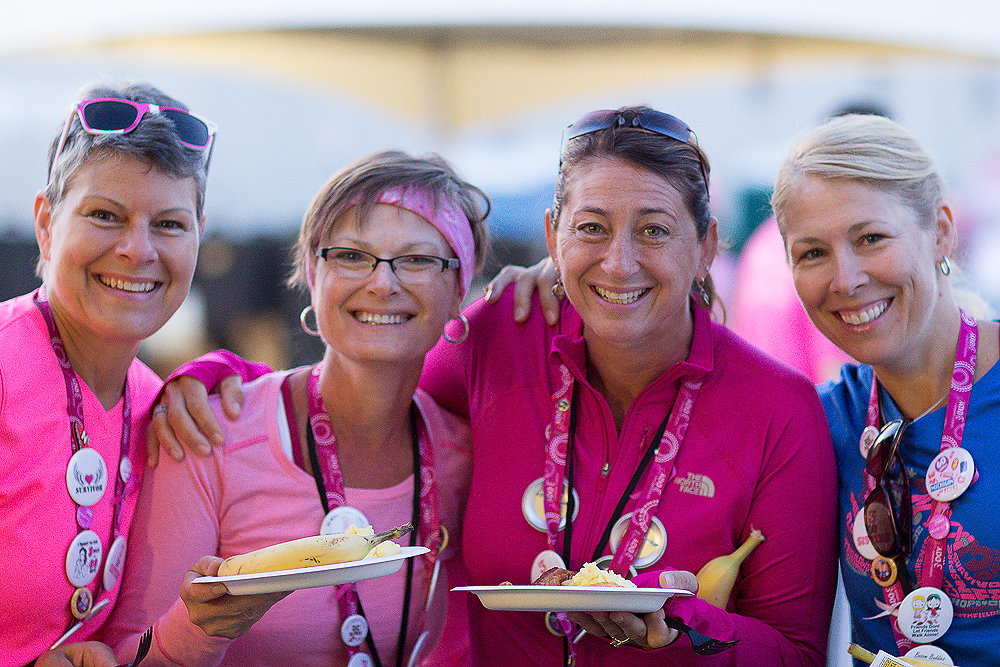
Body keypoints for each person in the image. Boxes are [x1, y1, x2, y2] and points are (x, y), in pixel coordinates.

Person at [154, 106, 838, 666]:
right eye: (591, 228)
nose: (618, 261)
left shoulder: (779, 409)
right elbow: (373, 374)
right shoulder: (503, 334)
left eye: (654, 230)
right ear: (553, 236)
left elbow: (800, 652)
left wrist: (683, 626)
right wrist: (221, 376)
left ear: (708, 245)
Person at [102, 150, 489, 667]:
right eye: (351, 256)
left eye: (418, 260)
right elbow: (126, 653)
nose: (382, 283)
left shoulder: (470, 456)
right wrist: (202, 630)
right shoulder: (208, 432)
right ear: (313, 275)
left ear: (459, 288)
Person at [770, 113, 1000, 666]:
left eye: (871, 239)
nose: (845, 279)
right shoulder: (820, 423)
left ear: (940, 231)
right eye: (813, 253)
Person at [0, 81, 215, 666]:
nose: (137, 249)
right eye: (104, 215)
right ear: (46, 223)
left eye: (169, 224)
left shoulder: (158, 406)